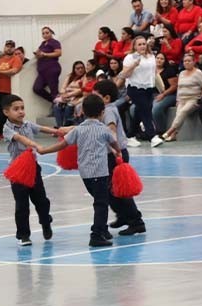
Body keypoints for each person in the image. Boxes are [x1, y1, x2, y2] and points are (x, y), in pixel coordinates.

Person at [38, 95, 122, 247]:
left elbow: (63, 144)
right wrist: (117, 152)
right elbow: (114, 142)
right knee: (101, 203)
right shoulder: (104, 130)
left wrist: (45, 150)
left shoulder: (78, 130)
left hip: (85, 174)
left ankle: (103, 229)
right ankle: (96, 234)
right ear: (102, 112)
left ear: (82, 111)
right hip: (100, 173)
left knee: (99, 200)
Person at [92, 81, 146, 236]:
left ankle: (136, 222)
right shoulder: (106, 109)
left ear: (106, 98)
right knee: (111, 190)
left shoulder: (108, 111)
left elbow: (111, 130)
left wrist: (113, 149)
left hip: (115, 154)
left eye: (96, 96)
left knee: (118, 191)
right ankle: (123, 216)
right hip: (112, 153)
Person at [1, 94, 56, 246]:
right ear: (6, 112)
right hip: (18, 172)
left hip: (33, 169)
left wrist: (59, 132)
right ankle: (23, 235)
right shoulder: (7, 129)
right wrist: (34, 144)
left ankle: (46, 221)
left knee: (41, 200)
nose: (20, 112)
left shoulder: (28, 125)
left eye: (22, 108)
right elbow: (20, 139)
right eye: (16, 109)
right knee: (22, 205)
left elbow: (43, 128)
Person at [118, 36, 163, 148]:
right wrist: (134, 65)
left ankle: (130, 135)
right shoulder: (130, 57)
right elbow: (124, 75)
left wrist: (161, 87)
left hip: (148, 87)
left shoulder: (151, 56)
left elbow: (155, 73)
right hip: (135, 88)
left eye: (144, 44)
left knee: (139, 111)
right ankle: (152, 136)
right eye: (139, 44)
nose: (142, 46)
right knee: (146, 110)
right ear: (134, 46)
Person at [161, 54, 202, 142]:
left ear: (194, 62)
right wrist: (177, 99)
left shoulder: (198, 73)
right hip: (181, 99)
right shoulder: (181, 73)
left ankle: (169, 132)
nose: (187, 63)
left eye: (189, 61)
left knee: (183, 111)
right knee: (179, 114)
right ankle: (174, 135)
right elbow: (179, 87)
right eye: (185, 61)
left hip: (193, 99)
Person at [0, 40, 23, 139]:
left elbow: (14, 70)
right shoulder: (1, 60)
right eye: (7, 46)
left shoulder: (16, 59)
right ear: (4, 47)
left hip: (8, 90)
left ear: (14, 48)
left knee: (6, 113)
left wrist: (0, 72)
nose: (9, 48)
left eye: (11, 46)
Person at [152, 53, 178, 136]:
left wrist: (163, 94)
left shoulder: (169, 70)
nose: (159, 60)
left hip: (169, 95)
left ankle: (160, 131)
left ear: (165, 61)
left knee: (156, 108)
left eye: (161, 59)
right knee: (134, 108)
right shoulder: (150, 70)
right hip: (154, 94)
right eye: (157, 58)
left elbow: (174, 86)